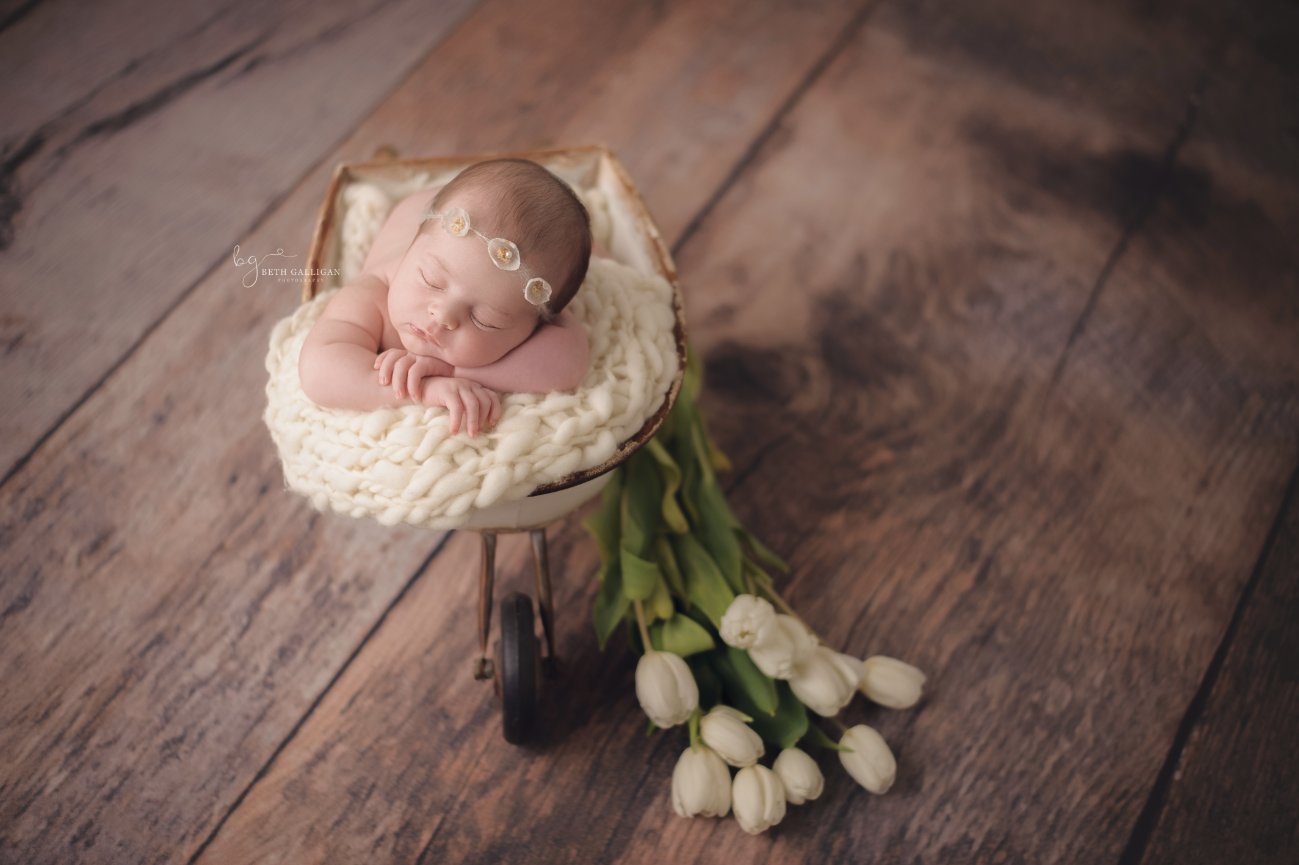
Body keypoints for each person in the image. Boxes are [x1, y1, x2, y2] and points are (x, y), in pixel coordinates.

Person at [298, 158, 593, 436]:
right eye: (431, 281)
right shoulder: (372, 294)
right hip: (426, 207)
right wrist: (425, 389)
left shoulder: (520, 294)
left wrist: (454, 370)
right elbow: (319, 371)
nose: (442, 315)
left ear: (535, 328)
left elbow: (570, 362)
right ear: (413, 249)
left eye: (484, 320)